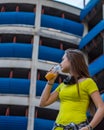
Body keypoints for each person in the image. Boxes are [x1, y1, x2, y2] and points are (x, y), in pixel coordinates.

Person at [39, 49, 104, 130]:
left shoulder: (88, 82)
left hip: (77, 127)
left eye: (63, 59)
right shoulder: (62, 85)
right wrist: (50, 82)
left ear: (72, 60)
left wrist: (89, 127)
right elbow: (43, 103)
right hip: (58, 127)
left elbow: (101, 107)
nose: (60, 63)